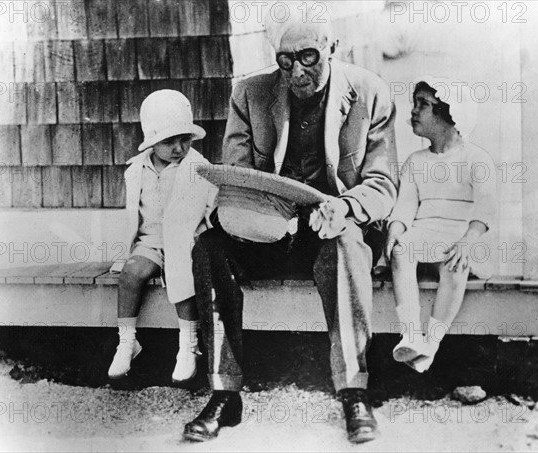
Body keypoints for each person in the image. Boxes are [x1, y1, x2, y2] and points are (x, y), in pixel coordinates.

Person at [182, 4, 398, 444]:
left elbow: (382, 185)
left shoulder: (371, 93)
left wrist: (346, 207)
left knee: (345, 244)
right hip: (271, 228)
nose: (295, 71)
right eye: (284, 60)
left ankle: (353, 389)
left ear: (332, 48)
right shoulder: (250, 94)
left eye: (307, 58)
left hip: (336, 227)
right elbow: (238, 178)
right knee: (208, 249)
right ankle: (225, 392)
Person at [385, 78, 496, 373]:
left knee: (454, 265)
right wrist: (396, 229)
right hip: (425, 230)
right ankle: (410, 335)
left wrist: (469, 239)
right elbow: (406, 205)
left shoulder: (475, 158)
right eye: (415, 102)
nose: (414, 110)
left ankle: (431, 344)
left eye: (424, 104)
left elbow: (486, 207)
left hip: (461, 232)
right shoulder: (415, 161)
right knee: (401, 252)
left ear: (449, 114)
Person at [108, 90, 217, 383]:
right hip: (152, 241)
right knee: (131, 273)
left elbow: (209, 210)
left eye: (185, 139)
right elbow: (135, 215)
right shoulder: (137, 170)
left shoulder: (198, 168)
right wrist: (125, 251)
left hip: (186, 239)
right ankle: (127, 342)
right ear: (152, 142)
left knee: (182, 273)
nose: (179, 148)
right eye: (169, 141)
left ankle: (188, 345)